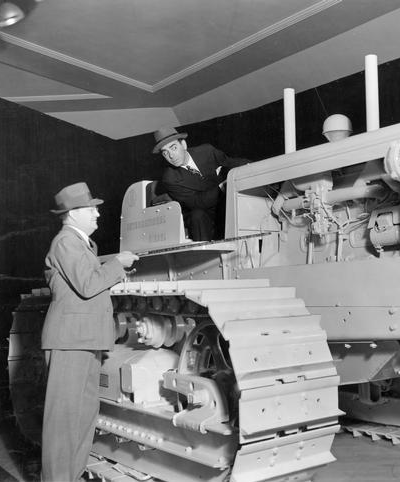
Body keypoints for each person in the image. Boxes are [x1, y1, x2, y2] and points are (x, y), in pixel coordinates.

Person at [41, 182, 138, 482]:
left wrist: (114, 268)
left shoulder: (81, 244)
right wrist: (117, 264)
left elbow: (90, 280)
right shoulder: (65, 242)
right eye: (92, 209)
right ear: (73, 214)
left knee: (82, 418)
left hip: (83, 340)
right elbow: (87, 284)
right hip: (69, 342)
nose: (97, 213)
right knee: (63, 423)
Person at [152, 127, 249, 241]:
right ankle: (206, 253)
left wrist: (251, 166)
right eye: (165, 153)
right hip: (204, 213)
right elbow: (196, 202)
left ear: (183, 144)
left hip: (225, 203)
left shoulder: (206, 151)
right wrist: (222, 186)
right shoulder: (170, 178)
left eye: (173, 148)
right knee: (197, 214)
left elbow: (230, 162)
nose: (171, 156)